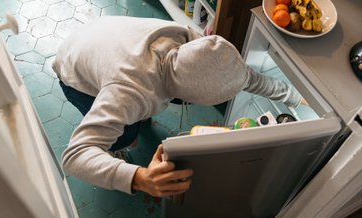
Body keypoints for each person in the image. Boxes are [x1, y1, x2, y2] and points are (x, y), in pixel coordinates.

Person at [53, 16, 303, 198]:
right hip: (74, 69)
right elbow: (75, 156)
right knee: (126, 134)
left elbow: (249, 78)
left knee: (133, 117)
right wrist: (138, 178)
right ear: (188, 100)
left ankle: (133, 122)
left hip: (101, 33)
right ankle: (118, 147)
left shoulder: (193, 44)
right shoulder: (130, 91)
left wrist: (294, 96)